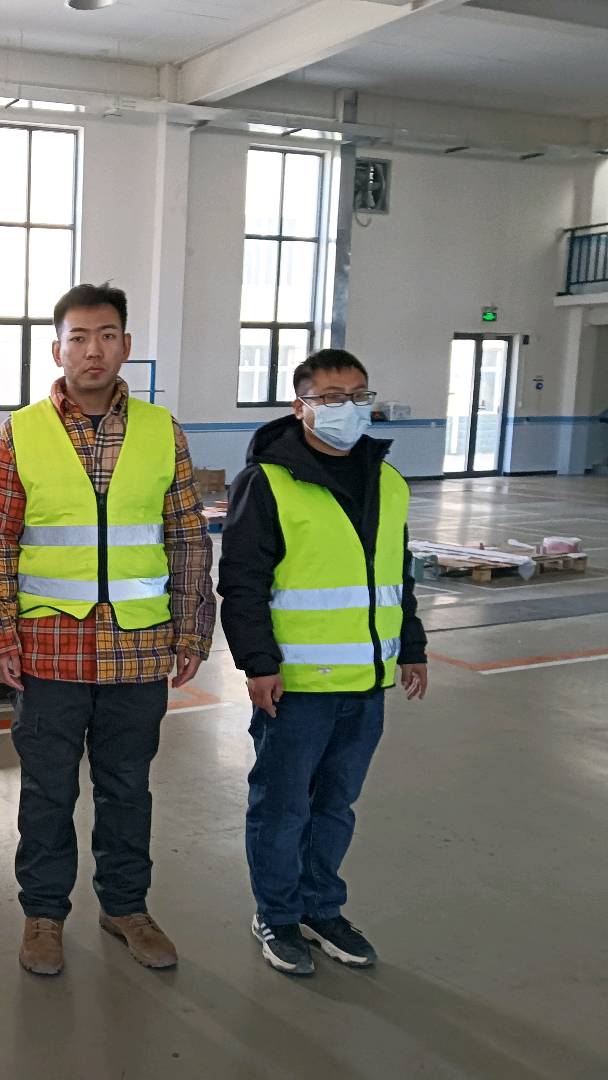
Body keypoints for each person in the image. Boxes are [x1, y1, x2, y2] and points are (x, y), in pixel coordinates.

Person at [0, 282, 215, 977]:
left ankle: (126, 907)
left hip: (137, 649)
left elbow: (187, 538)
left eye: (106, 336)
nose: (92, 350)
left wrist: (192, 629)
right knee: (47, 792)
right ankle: (44, 915)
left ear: (126, 346)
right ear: (57, 350)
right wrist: (0, 634)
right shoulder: (20, 432)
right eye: (78, 337)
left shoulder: (162, 432)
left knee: (127, 788)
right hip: (50, 650)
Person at [218, 348, 428, 977]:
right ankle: (277, 914)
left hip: (367, 682)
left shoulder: (388, 481)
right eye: (333, 398)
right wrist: (258, 664)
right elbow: (243, 583)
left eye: (359, 396)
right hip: (296, 685)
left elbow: (397, 575)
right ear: (301, 406)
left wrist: (411, 646)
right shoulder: (268, 482)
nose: (349, 408)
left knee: (336, 805)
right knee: (283, 808)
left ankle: (320, 907)